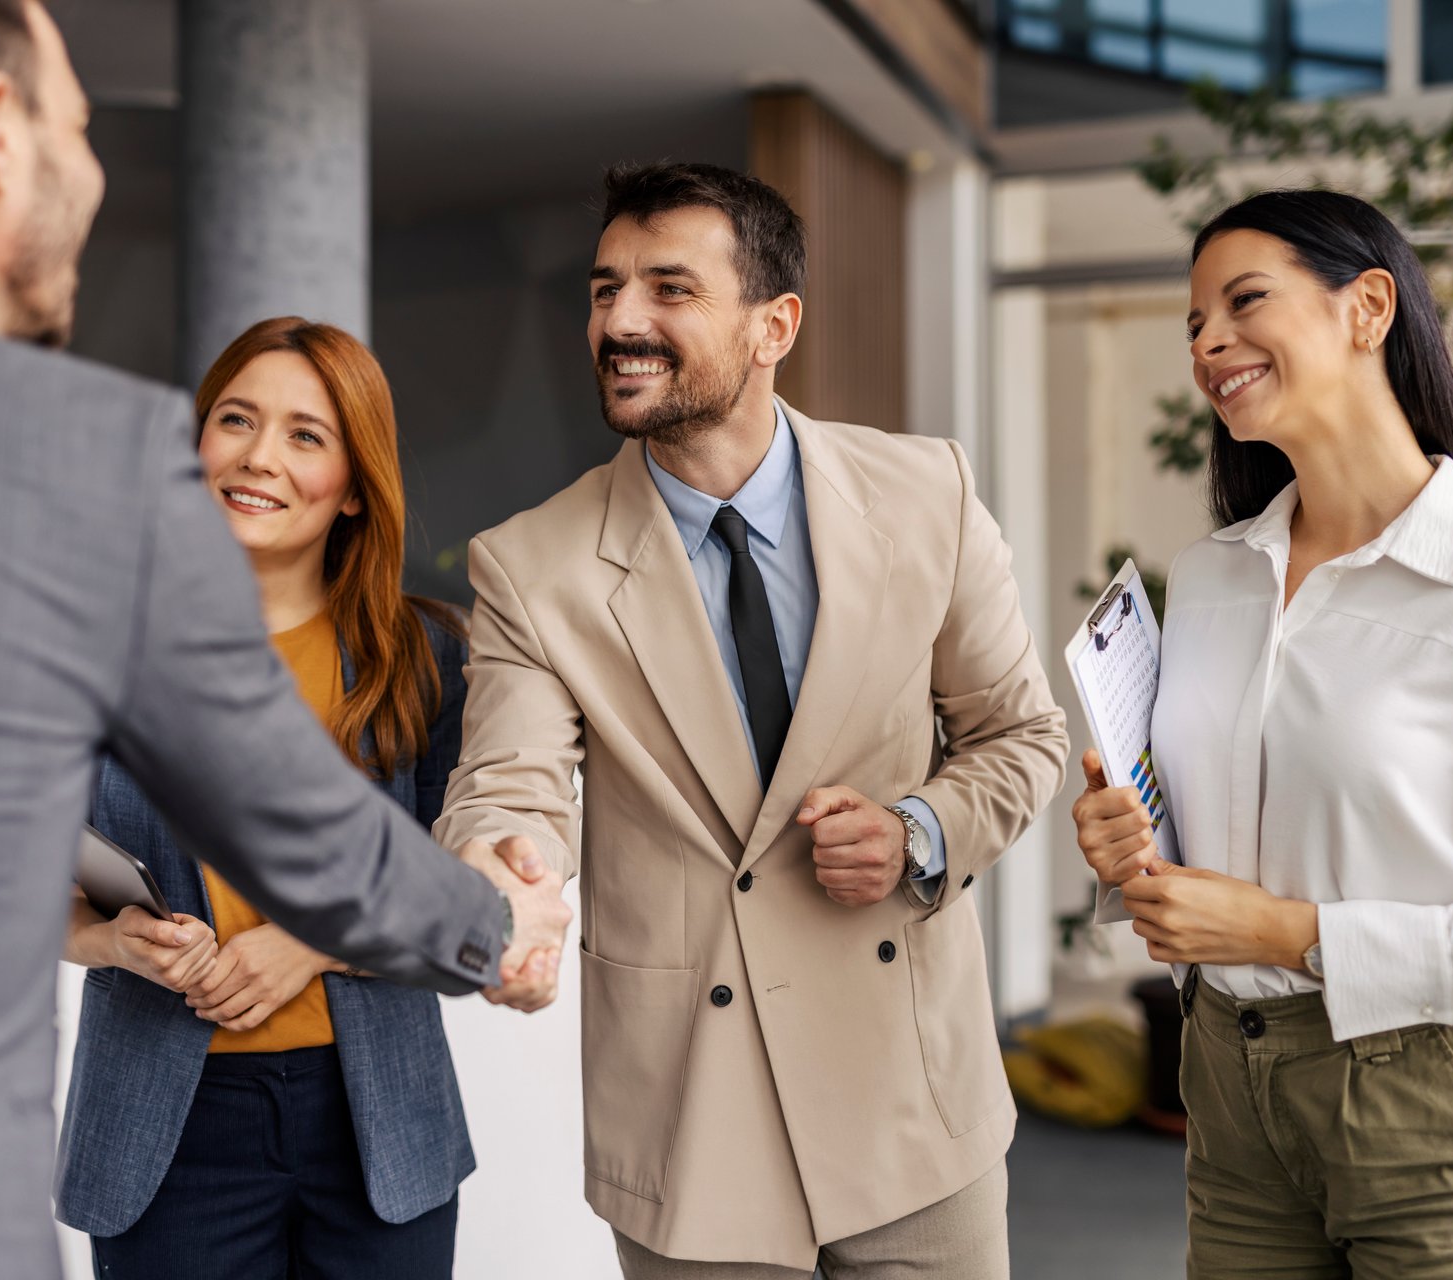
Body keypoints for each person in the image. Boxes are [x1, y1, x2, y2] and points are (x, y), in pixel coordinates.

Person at [0, 4, 568, 1278]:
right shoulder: (82, 454)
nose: (94, 169)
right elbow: (307, 833)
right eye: (78, 124)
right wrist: (499, 923)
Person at [435, 161, 1069, 1278]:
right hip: (694, 1120)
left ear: (774, 324)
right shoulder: (531, 563)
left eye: (669, 288)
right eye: (603, 289)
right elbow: (510, 779)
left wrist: (920, 829)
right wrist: (506, 879)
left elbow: (1021, 735)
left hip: (912, 1103)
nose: (621, 319)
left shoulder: (930, 493)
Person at [1072, 188, 1453, 1278]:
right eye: (1193, 324)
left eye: (1243, 301)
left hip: (1443, 1110)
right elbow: (1216, 842)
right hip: (1229, 1094)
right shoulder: (1216, 575)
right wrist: (1132, 850)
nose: (1209, 342)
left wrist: (1285, 929)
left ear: (1368, 306)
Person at [55, 319, 473, 1278]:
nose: (256, 457)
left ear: (358, 487)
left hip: (379, 1127)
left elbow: (471, 896)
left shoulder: (426, 658)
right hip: (166, 1132)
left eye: (305, 435)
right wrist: (112, 942)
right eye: (235, 420)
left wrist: (313, 940)